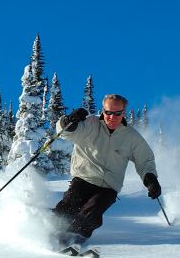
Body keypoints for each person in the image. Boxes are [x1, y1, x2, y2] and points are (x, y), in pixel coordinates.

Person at [52, 93, 162, 246]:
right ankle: (48, 232)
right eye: (108, 112)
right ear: (103, 111)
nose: (112, 117)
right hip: (84, 179)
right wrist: (69, 120)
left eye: (117, 113)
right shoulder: (90, 124)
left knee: (93, 213)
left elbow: (145, 160)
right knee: (67, 208)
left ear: (123, 113)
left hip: (109, 187)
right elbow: (65, 133)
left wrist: (150, 179)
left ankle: (71, 239)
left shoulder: (131, 137)